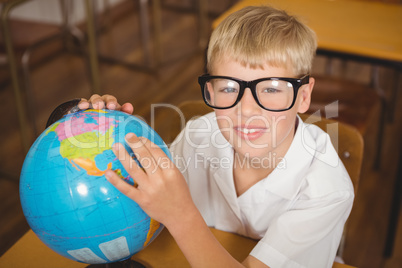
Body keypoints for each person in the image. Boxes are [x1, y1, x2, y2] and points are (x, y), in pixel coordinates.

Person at [70, 5, 354, 268]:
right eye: (229, 88)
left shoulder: (326, 189)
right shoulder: (199, 136)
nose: (246, 110)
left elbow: (175, 212)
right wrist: (110, 138)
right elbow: (141, 195)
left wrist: (181, 216)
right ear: (211, 90)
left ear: (303, 96)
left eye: (270, 89)